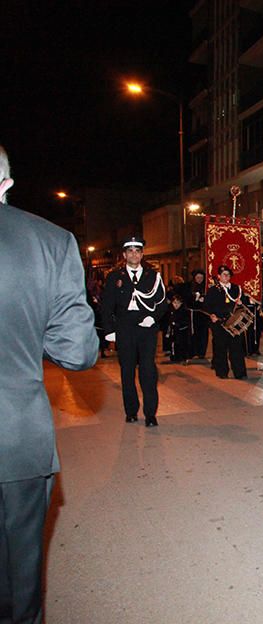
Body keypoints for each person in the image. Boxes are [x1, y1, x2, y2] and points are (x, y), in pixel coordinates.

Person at [0, 146, 98, 624]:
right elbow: (77, 353)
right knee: (18, 591)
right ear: (6, 183)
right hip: (14, 440)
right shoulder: (50, 241)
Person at [101, 236, 168, 427]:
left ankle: (150, 414)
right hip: (125, 328)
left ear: (142, 254)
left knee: (148, 370)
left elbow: (163, 302)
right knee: (127, 371)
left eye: (137, 251)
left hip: (146, 328)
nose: (134, 254)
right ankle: (131, 411)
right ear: (124, 254)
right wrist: (109, 330)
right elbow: (107, 305)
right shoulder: (115, 277)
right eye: (130, 251)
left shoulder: (153, 276)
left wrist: (153, 317)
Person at [204, 265, 248, 380]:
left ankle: (239, 372)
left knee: (237, 348)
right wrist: (211, 315)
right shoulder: (213, 290)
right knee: (220, 349)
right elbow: (206, 306)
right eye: (224, 274)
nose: (226, 277)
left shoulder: (236, 289)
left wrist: (241, 303)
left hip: (234, 323)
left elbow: (245, 304)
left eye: (228, 275)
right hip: (220, 323)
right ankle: (222, 372)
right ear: (219, 276)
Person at [165, 294, 191, 363]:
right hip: (174, 331)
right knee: (174, 344)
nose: (176, 305)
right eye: (174, 303)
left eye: (178, 303)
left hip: (183, 330)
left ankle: (184, 357)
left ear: (181, 303)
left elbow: (186, 321)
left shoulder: (184, 310)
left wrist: (178, 324)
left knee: (183, 344)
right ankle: (175, 356)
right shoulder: (171, 310)